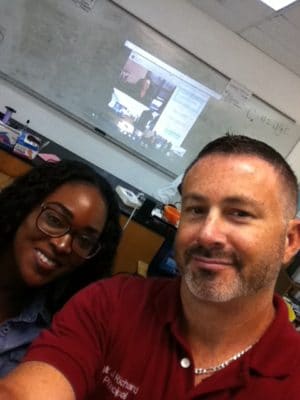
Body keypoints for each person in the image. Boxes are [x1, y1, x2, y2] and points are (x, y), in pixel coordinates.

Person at [1, 134, 300, 399]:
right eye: (195, 209)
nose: (207, 233)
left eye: (239, 213)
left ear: (289, 241)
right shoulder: (113, 304)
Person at [0, 159, 121, 377]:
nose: (63, 245)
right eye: (55, 220)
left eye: (84, 241)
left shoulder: (57, 333)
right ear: (25, 207)